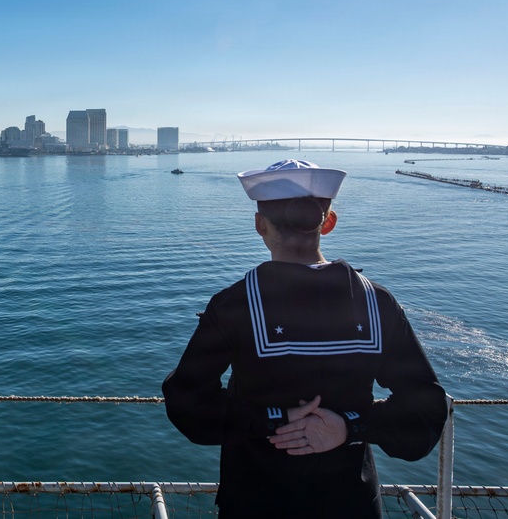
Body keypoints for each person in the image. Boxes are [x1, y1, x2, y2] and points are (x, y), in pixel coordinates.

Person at [162, 159, 447, 519]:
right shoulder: (377, 303)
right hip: (352, 506)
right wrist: (350, 426)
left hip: (254, 505)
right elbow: (428, 411)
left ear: (259, 225)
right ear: (327, 223)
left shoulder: (235, 305)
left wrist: (273, 420)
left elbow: (186, 402)